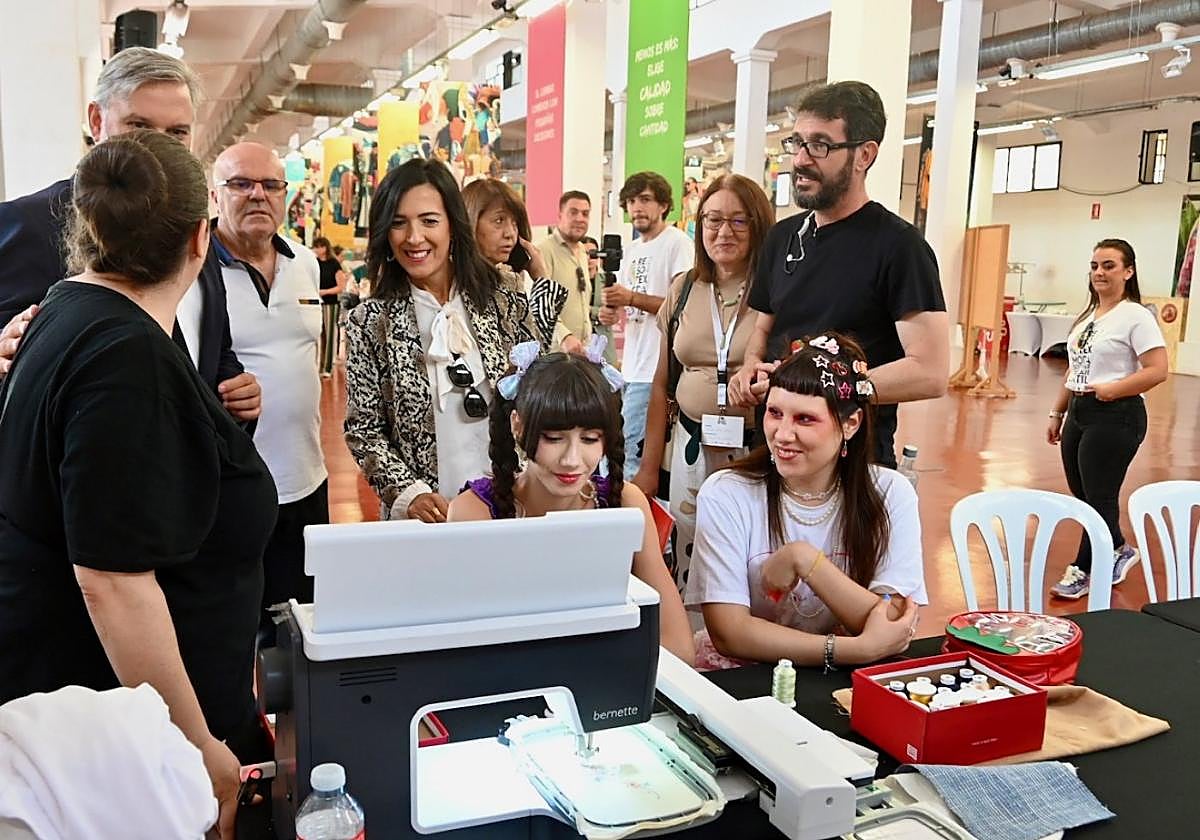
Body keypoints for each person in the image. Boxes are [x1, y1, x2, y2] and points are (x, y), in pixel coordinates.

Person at [0, 130, 278, 839]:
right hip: (125, 742)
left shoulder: (71, 310)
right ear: (199, 238)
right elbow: (113, 579)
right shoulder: (121, 355)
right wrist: (195, 743)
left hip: (108, 715)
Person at [0, 47, 260, 425]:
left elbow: (212, 342)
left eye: (176, 132)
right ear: (96, 121)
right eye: (139, 126)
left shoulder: (194, 224)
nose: (158, 146)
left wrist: (234, 388)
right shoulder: (30, 223)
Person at [728, 81, 948, 468]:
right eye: (796, 143)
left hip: (852, 463)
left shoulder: (900, 247)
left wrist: (836, 393)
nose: (800, 159)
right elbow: (762, 331)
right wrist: (750, 368)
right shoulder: (783, 237)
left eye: (820, 145)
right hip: (776, 450)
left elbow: (930, 372)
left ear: (864, 154)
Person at [686, 333, 925, 669]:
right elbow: (730, 633)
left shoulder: (890, 493)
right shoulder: (727, 493)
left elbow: (894, 620)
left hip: (845, 683)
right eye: (774, 413)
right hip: (745, 678)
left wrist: (806, 560)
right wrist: (850, 650)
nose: (782, 434)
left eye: (805, 419)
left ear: (850, 423)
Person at [448, 339, 695, 663]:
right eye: (554, 438)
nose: (572, 459)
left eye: (590, 439)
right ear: (517, 426)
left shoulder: (624, 503)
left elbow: (678, 645)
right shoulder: (475, 512)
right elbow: (468, 650)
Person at [345, 159, 541, 523]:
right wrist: (409, 494)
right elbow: (364, 429)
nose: (414, 237)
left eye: (429, 221)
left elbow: (537, 395)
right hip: (425, 520)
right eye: (399, 223)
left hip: (509, 507)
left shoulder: (504, 299)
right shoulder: (369, 322)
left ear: (453, 225)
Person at [632, 175, 775, 591]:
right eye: (712, 220)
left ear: (759, 225)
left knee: (746, 554)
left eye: (738, 221)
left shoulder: (774, 292)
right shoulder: (685, 287)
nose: (723, 232)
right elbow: (661, 383)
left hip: (754, 448)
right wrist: (647, 469)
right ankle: (691, 642)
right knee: (688, 544)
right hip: (691, 445)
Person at [209, 142, 327, 637]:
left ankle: (295, 717)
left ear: (285, 194)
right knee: (233, 628)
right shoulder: (194, 269)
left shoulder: (305, 262)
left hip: (308, 480)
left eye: (270, 185)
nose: (257, 195)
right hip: (231, 489)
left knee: (301, 625)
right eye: (240, 184)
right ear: (216, 196)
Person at [1048, 239, 1167, 600]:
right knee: (1083, 493)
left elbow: (1158, 369)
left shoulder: (1135, 316)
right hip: (1081, 411)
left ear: (1128, 272)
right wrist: (1058, 410)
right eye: (1095, 265)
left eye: (1109, 266)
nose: (1099, 272)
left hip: (1117, 414)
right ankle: (1119, 546)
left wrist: (1115, 389)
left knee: (1100, 496)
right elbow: (1075, 368)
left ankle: (1084, 568)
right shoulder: (1088, 317)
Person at [600, 171, 694, 474]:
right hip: (631, 366)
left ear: (664, 205)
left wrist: (630, 298)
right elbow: (627, 305)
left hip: (658, 367)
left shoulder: (677, 244)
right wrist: (611, 311)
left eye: (645, 199)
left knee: (631, 455)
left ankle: (632, 515)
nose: (636, 207)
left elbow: (682, 306)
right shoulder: (631, 250)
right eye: (630, 201)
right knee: (621, 448)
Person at [460, 178, 565, 348]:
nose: (510, 233)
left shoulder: (509, 285)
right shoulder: (450, 287)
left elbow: (535, 353)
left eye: (515, 223)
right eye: (499, 221)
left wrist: (542, 279)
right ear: (470, 221)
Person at [536, 190, 593, 354]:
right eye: (573, 212)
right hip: (554, 354)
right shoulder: (544, 250)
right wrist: (564, 336)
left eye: (585, 214)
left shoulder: (583, 252)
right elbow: (539, 303)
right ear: (560, 215)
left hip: (581, 353)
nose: (580, 219)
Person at [313, 236, 346, 377]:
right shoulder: (314, 263)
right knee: (318, 335)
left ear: (325, 247)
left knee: (330, 335)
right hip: (317, 303)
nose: (318, 249)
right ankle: (318, 367)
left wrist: (325, 292)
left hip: (331, 304)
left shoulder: (334, 264)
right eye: (316, 247)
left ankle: (327, 368)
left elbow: (341, 287)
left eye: (320, 246)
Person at [581, 234, 615, 364]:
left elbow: (612, 311)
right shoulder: (572, 281)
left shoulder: (607, 280)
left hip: (604, 342)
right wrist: (596, 312)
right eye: (585, 254)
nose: (589, 258)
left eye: (593, 254)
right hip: (581, 341)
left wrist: (587, 310)